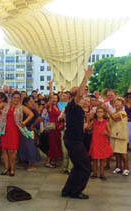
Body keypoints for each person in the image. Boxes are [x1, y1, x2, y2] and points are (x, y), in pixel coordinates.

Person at [61, 66, 93, 200]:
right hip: (73, 141)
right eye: (78, 92)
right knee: (86, 167)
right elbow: (80, 92)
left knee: (78, 167)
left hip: (73, 139)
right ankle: (75, 191)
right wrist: (86, 77)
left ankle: (67, 190)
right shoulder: (72, 105)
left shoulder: (78, 108)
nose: (82, 93)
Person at [0, 91, 34, 176]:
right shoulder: (6, 106)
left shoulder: (21, 107)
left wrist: (24, 122)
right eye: (14, 97)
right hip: (5, 129)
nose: (16, 99)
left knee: (12, 150)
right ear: (11, 98)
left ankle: (12, 168)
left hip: (14, 130)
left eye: (18, 98)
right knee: (4, 149)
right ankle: (6, 168)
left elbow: (31, 114)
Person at [106, 97, 129, 176]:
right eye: (116, 102)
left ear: (122, 105)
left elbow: (115, 119)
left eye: (119, 102)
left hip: (121, 135)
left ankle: (126, 168)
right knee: (116, 152)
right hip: (114, 134)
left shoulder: (123, 113)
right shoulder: (114, 112)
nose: (116, 104)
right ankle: (118, 167)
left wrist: (107, 110)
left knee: (123, 152)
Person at [88, 106, 113, 181]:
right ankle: (95, 173)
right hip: (95, 142)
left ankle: (102, 174)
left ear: (104, 113)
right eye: (98, 112)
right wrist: (88, 118)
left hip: (103, 142)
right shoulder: (94, 121)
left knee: (102, 159)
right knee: (94, 158)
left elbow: (110, 133)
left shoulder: (106, 122)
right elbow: (88, 127)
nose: (99, 113)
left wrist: (107, 133)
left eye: (101, 112)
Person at [18, 96, 41, 171]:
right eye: (30, 101)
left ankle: (32, 164)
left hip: (28, 130)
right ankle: (26, 162)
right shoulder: (22, 109)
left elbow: (39, 118)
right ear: (25, 103)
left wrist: (32, 125)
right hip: (22, 130)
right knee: (24, 147)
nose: (32, 103)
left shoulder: (33, 110)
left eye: (32, 101)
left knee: (30, 147)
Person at [45, 80, 62, 168]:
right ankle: (47, 161)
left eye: (56, 98)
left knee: (56, 144)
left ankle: (53, 160)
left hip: (58, 128)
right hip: (52, 128)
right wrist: (51, 87)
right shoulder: (50, 106)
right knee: (52, 145)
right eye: (53, 98)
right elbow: (51, 97)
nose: (54, 99)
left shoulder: (57, 106)